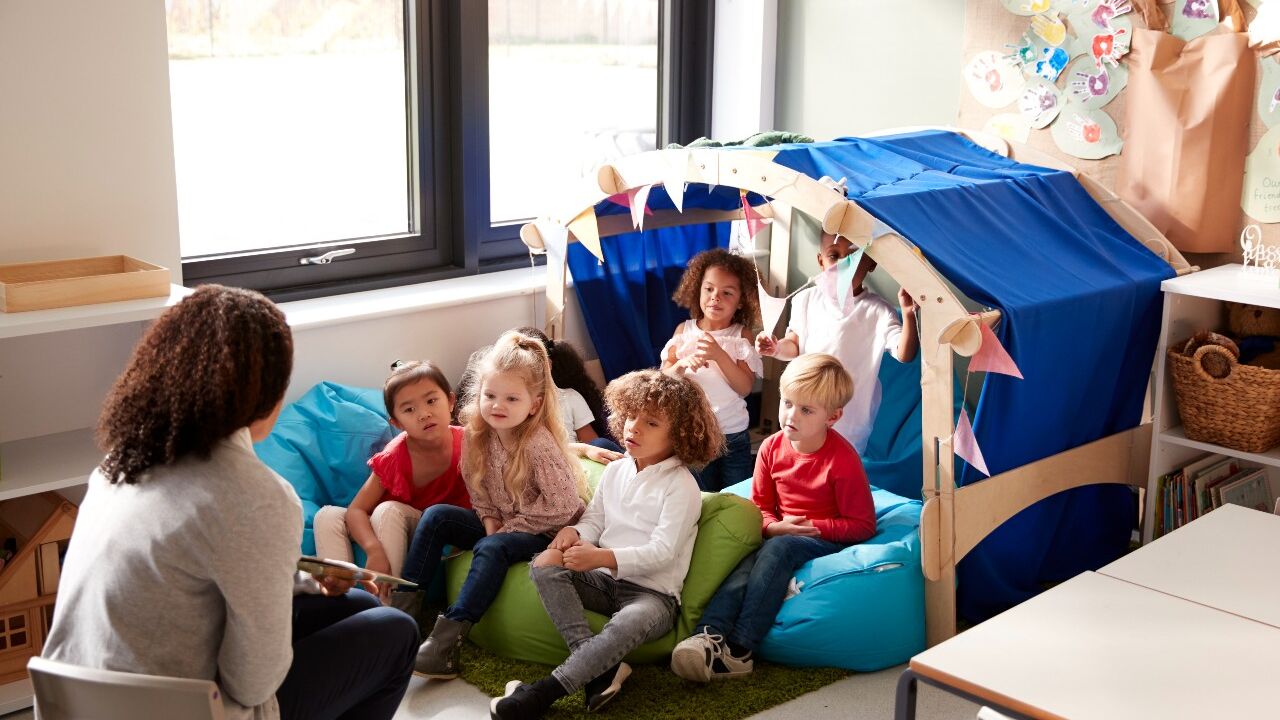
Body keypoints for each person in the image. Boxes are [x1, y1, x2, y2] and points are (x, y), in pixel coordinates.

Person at [41, 285, 417, 720]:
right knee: (395, 630)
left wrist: (302, 579)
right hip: (188, 712)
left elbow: (194, 575)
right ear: (267, 395)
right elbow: (252, 683)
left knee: (359, 606)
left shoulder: (121, 462)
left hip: (77, 704)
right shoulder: (255, 494)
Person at [489, 370, 723, 718]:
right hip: (603, 582)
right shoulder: (616, 470)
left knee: (631, 621)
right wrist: (576, 533)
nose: (634, 428)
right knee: (544, 563)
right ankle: (600, 671)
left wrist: (602, 557)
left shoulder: (681, 485)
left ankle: (540, 694)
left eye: (651, 423)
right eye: (631, 416)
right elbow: (595, 520)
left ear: (681, 435)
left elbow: (663, 552)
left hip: (653, 597)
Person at [669, 353, 876, 682]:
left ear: (833, 417)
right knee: (743, 563)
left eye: (806, 410)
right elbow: (761, 506)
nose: (791, 415)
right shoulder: (770, 447)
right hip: (780, 534)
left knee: (779, 549)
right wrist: (773, 526)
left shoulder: (843, 460)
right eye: (787, 403)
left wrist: (810, 528)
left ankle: (741, 650)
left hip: (823, 540)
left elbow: (863, 525)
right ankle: (707, 636)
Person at [406, 330, 589, 679]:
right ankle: (402, 617)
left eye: (511, 398)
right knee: (437, 516)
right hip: (504, 522)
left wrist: (505, 530)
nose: (497, 406)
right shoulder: (477, 434)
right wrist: (490, 520)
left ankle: (446, 645)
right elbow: (477, 487)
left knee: (492, 547)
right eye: (489, 395)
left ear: (533, 404)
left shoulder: (537, 442)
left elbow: (564, 506)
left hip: (547, 532)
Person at [312, 360, 470, 602]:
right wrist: (373, 550)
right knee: (326, 515)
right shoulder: (394, 456)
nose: (424, 414)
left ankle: (390, 608)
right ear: (396, 423)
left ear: (450, 401)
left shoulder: (471, 443)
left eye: (431, 401)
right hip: (383, 526)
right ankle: (340, 605)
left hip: (427, 526)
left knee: (388, 510)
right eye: (409, 410)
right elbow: (356, 510)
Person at [756, 232, 919, 454]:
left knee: (840, 465)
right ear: (821, 261)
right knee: (802, 459)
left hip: (849, 416)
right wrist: (775, 348)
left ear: (871, 262)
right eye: (834, 256)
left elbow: (904, 354)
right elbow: (794, 345)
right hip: (804, 405)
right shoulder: (806, 300)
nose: (844, 265)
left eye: (853, 256)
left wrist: (909, 315)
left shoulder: (878, 310)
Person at [661, 247, 763, 491]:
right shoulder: (684, 331)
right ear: (698, 289)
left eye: (727, 293)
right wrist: (681, 365)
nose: (715, 297)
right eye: (709, 289)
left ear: (741, 301)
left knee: (736, 495)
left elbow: (744, 388)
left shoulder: (740, 335)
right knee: (701, 495)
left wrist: (719, 355)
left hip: (733, 435)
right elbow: (664, 380)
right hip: (694, 434)